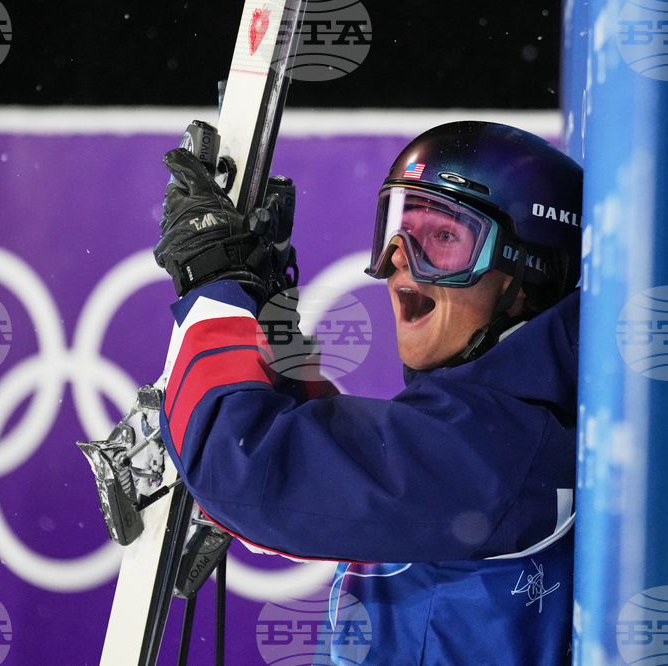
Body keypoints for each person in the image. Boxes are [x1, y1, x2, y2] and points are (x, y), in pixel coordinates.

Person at [152, 121, 582, 665]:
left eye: (444, 239)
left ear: (529, 277)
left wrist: (212, 286)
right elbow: (330, 458)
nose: (401, 258)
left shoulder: (497, 450)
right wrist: (264, 316)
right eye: (398, 230)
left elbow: (246, 467)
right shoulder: (499, 431)